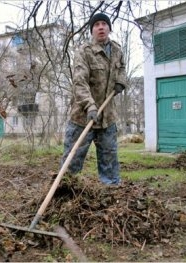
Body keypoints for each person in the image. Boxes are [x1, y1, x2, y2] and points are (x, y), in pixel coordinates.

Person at [60, 12, 129, 185]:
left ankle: (111, 193)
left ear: (109, 28)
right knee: (72, 160)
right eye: (96, 24)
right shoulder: (84, 52)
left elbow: (122, 68)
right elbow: (79, 81)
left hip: (107, 117)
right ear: (92, 30)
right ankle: (65, 192)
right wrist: (90, 106)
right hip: (82, 117)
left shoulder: (117, 50)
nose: (100, 27)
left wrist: (121, 81)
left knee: (109, 160)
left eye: (104, 24)